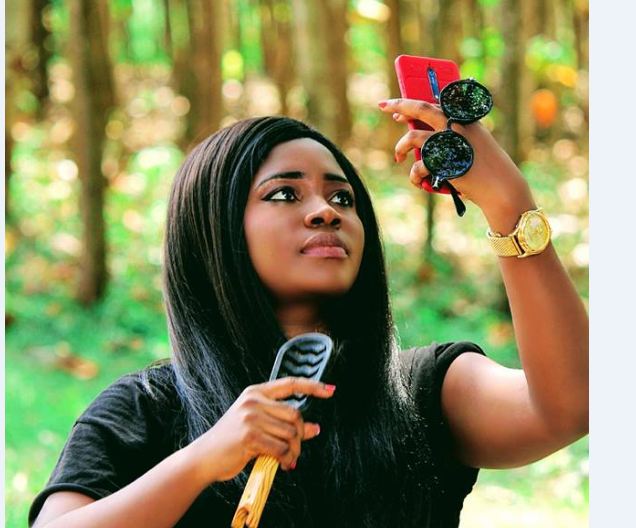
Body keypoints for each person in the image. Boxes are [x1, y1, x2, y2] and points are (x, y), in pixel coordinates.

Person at [29, 99, 588, 528]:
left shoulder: (424, 393)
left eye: (343, 198)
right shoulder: (144, 411)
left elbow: (575, 405)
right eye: (283, 194)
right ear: (213, 230)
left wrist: (508, 202)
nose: (325, 211)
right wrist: (203, 460)